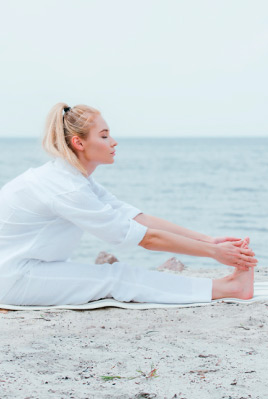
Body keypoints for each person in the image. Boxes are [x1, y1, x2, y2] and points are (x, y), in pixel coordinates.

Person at [0, 103, 257, 306]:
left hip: (26, 269)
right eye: (104, 135)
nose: (114, 142)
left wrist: (209, 241)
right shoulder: (66, 188)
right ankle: (230, 287)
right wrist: (215, 254)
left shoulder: (70, 177)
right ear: (79, 143)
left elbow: (135, 217)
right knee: (116, 278)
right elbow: (146, 239)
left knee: (115, 275)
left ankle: (229, 284)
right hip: (14, 278)